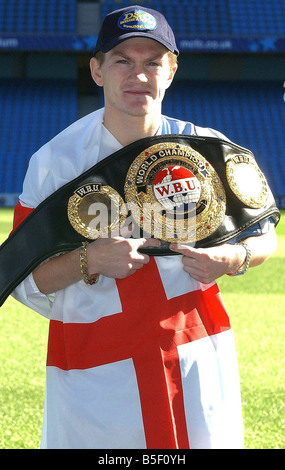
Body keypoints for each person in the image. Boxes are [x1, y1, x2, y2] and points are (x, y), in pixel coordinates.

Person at [11, 5, 278, 449]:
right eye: (123, 61)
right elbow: (20, 276)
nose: (139, 75)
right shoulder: (55, 163)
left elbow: (264, 232)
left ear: (171, 71)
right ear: (97, 70)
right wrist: (90, 259)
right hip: (94, 363)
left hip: (194, 353)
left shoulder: (208, 149)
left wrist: (233, 257)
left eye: (152, 62)